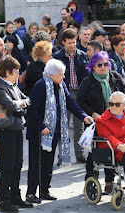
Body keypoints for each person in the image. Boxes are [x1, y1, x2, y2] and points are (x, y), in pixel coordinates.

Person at [26, 59, 92, 203]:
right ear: (51, 75)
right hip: (38, 133)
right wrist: (41, 127)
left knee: (48, 163)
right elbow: (32, 110)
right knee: (36, 163)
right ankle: (31, 193)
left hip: (53, 131)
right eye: (61, 75)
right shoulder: (41, 85)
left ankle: (44, 191)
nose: (63, 77)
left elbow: (70, 102)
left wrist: (83, 116)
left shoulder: (60, 85)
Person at [77, 51, 125, 193]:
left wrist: (123, 110)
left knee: (112, 150)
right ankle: (90, 179)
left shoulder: (116, 78)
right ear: (93, 66)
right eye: (99, 64)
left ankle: (110, 181)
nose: (103, 67)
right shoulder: (88, 82)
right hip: (96, 122)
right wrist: (93, 114)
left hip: (116, 121)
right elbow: (80, 102)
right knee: (95, 152)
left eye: (106, 64)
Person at [0, 55, 32, 212]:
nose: (18, 74)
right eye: (16, 71)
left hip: (16, 128)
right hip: (6, 130)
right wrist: (20, 105)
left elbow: (27, 100)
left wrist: (19, 104)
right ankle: (3, 200)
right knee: (8, 166)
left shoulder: (13, 87)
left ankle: (15, 196)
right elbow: (13, 108)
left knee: (17, 165)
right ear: (8, 71)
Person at [53, 28, 89, 163]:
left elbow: (85, 76)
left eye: (74, 42)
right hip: (64, 93)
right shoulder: (57, 56)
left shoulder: (82, 55)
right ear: (63, 42)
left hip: (79, 94)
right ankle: (63, 156)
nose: (72, 46)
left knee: (79, 126)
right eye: (69, 43)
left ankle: (80, 155)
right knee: (63, 125)